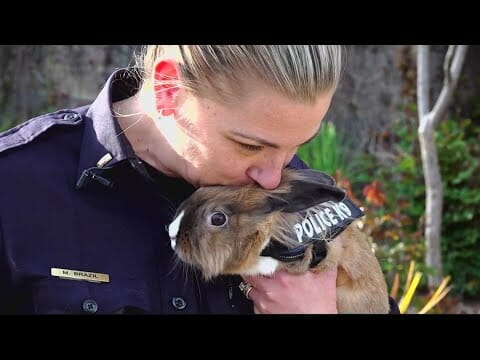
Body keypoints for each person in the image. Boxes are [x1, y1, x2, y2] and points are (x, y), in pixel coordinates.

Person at [0, 45, 399, 314]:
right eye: (248, 145)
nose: (275, 176)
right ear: (169, 90)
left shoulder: (296, 198)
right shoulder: (17, 186)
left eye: (295, 145)